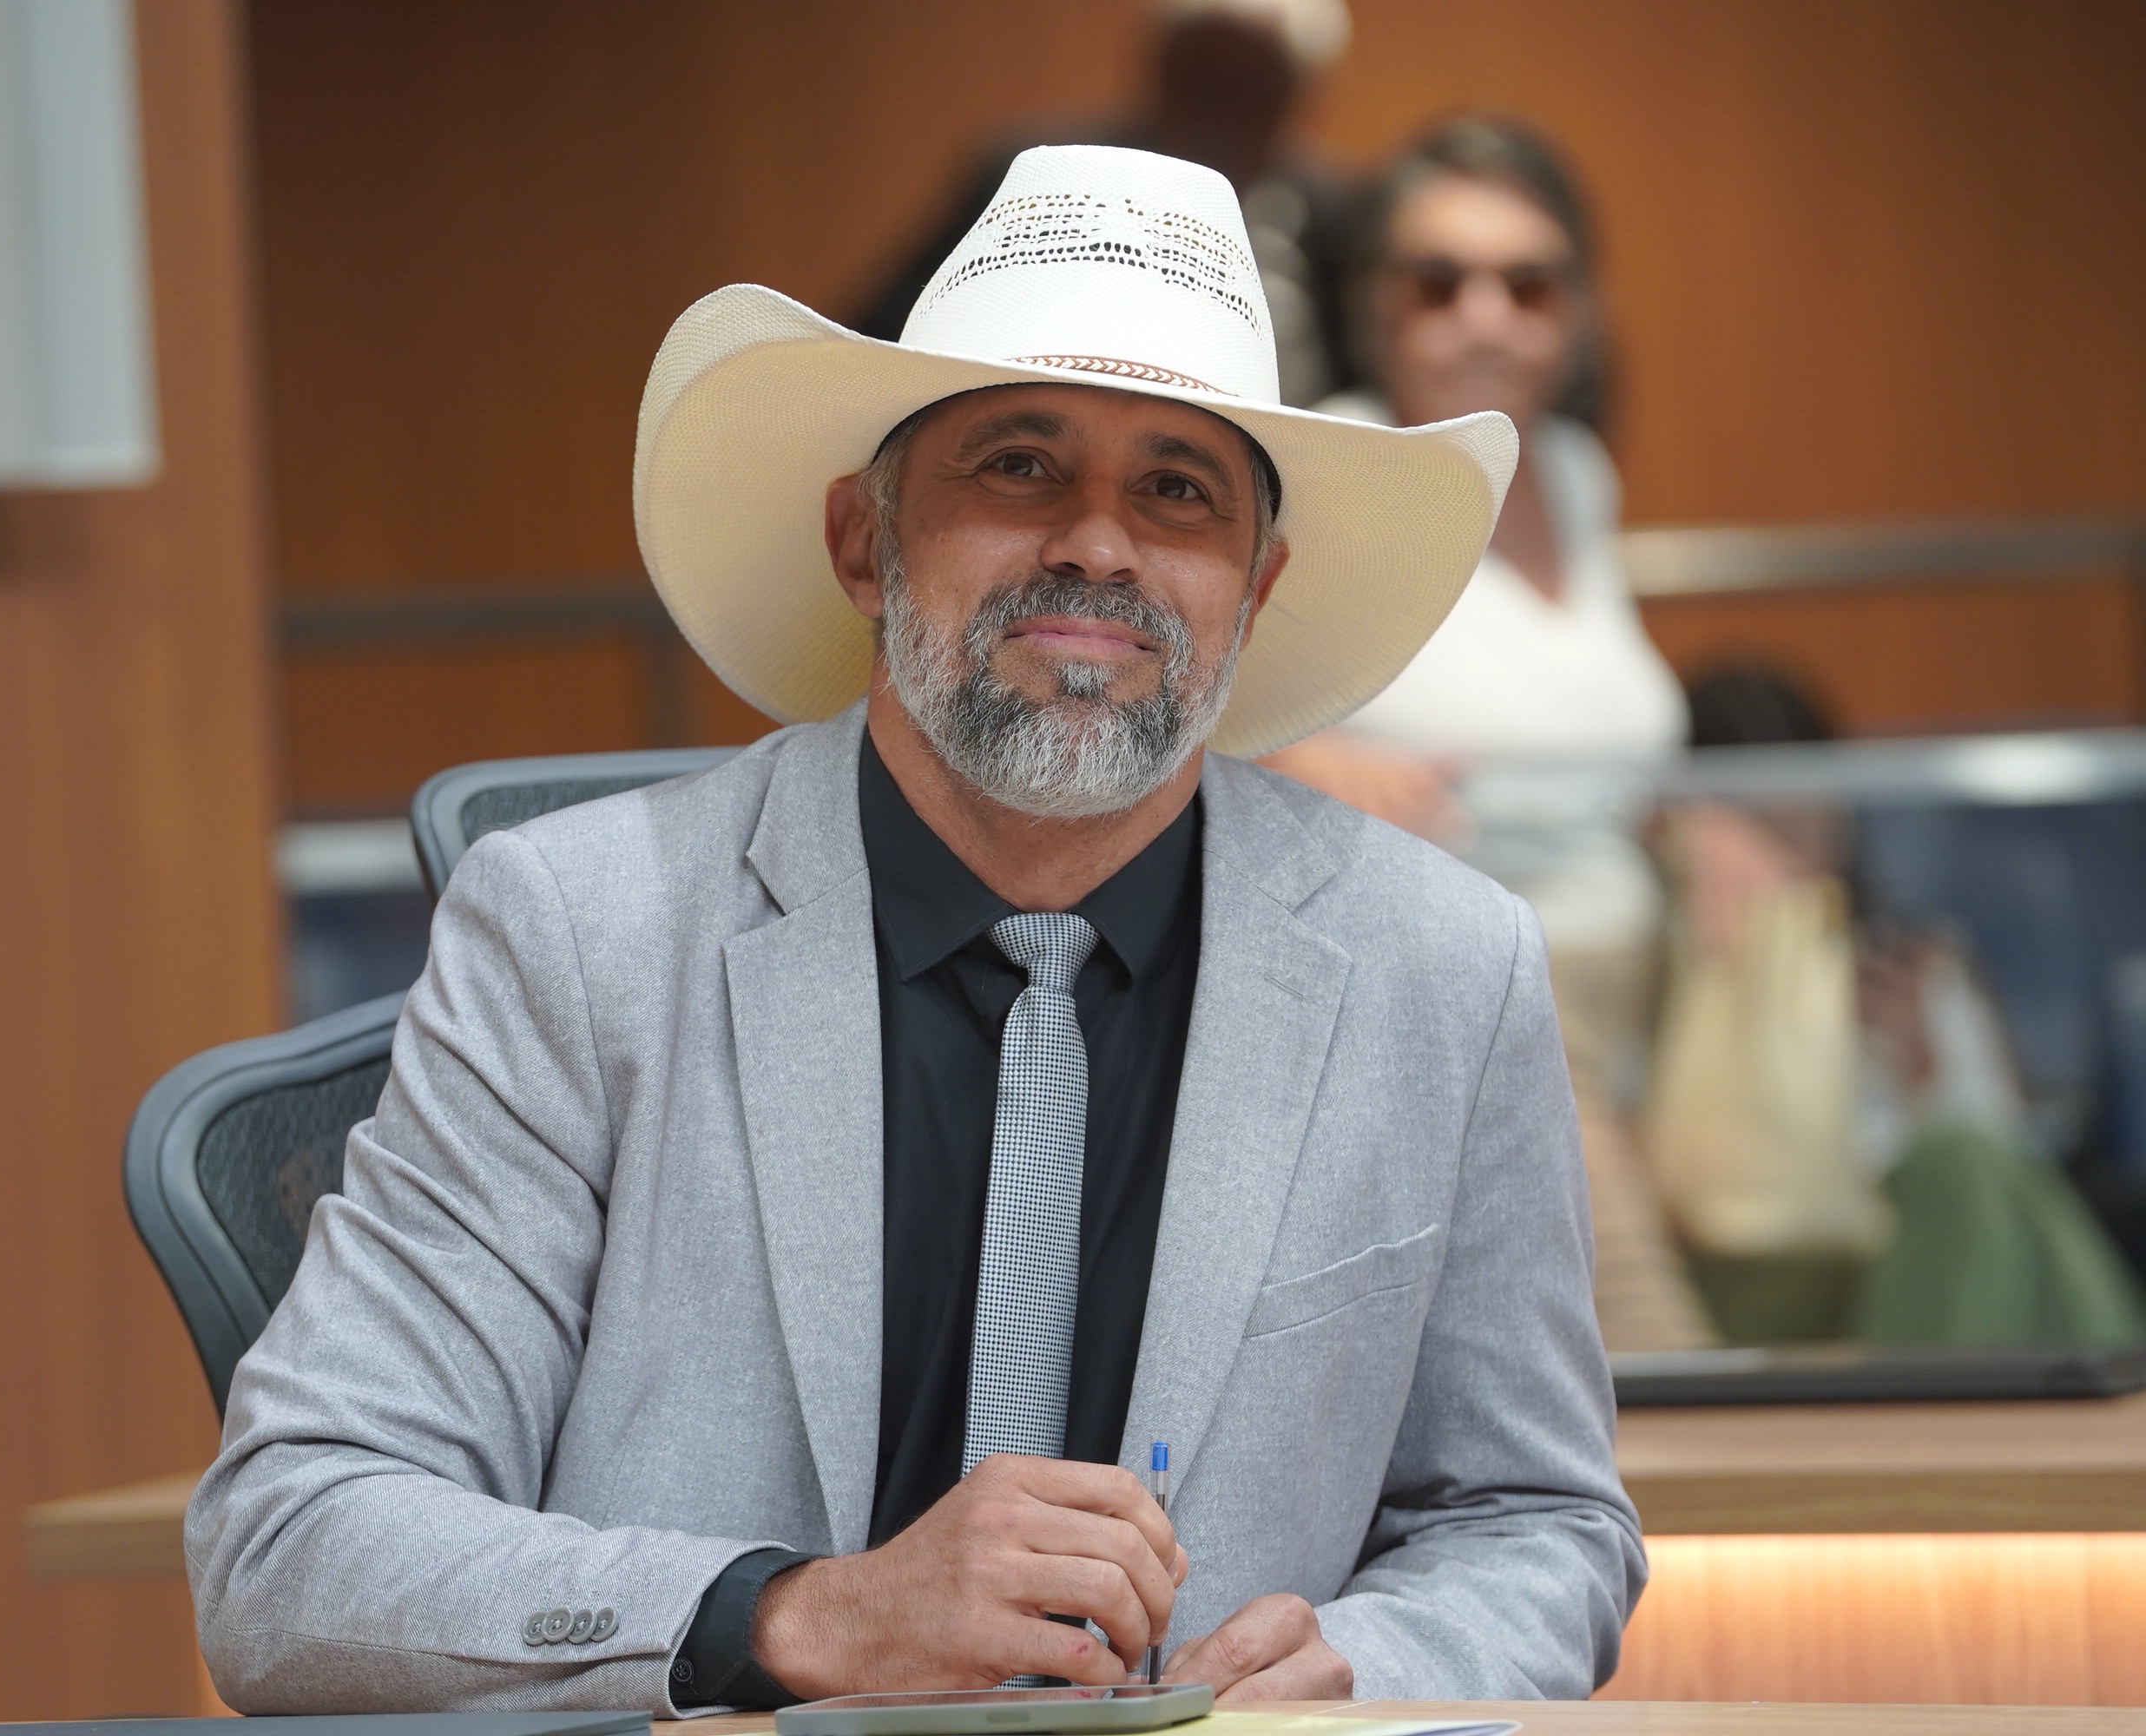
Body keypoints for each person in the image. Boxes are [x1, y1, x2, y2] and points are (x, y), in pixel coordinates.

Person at [188, 145, 1642, 1715]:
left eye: (1177, 492)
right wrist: (797, 1617)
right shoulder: (578, 932)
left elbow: (1537, 1524)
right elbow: (292, 1548)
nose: (1097, 546)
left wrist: (1370, 1673)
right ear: (861, 545)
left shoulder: (1445, 970)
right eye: (1018, 466)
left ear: (1256, 585)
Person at [1262, 118, 1713, 1352]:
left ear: (1579, 309)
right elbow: (1192, 722)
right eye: (1437, 280)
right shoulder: (1329, 471)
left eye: (1529, 283)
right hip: (1459, 994)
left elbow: (1598, 736)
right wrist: (1292, 759)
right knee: (1652, 1356)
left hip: (1650, 976)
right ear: (1373, 303)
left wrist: (1701, 831)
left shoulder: (1572, 471)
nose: (1485, 317)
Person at [852, 0, 1357, 407]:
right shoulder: (1039, 177)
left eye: (1254, 82)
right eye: (1206, 73)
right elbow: (888, 330)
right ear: (1162, 68)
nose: (1225, 104)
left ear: (1299, 95)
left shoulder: (1333, 211)